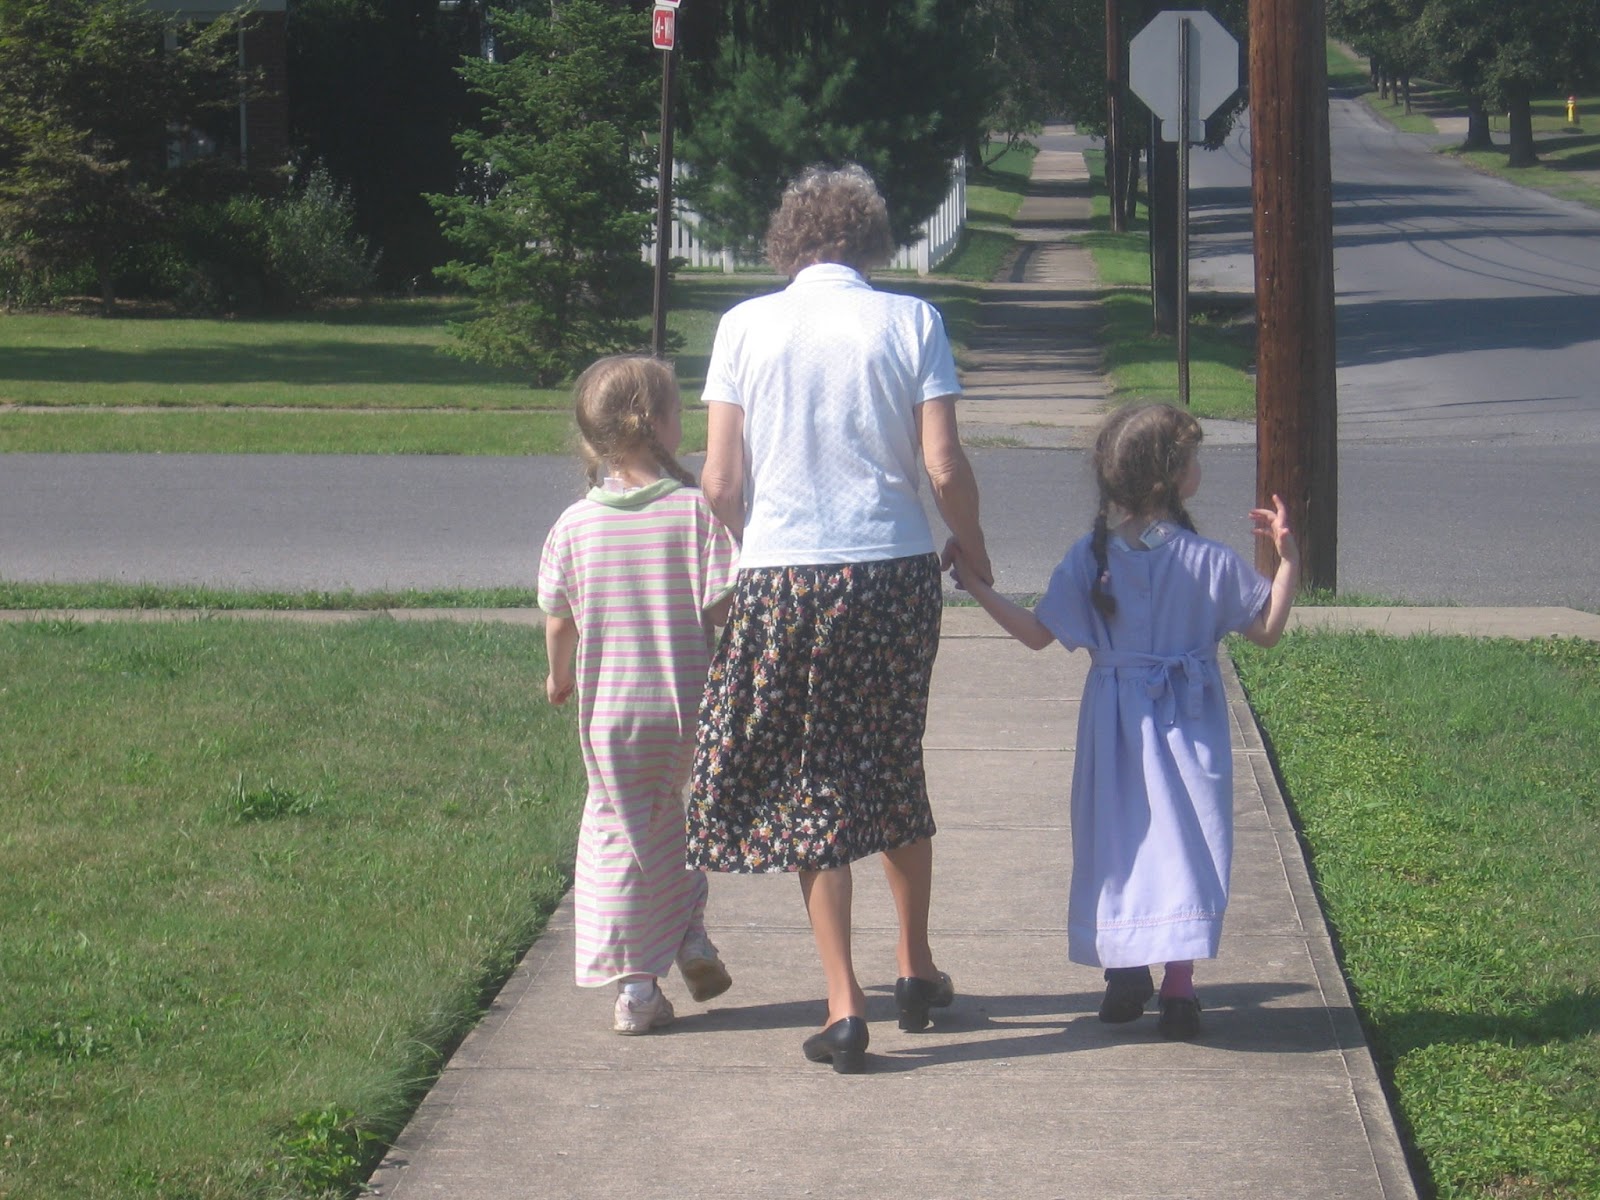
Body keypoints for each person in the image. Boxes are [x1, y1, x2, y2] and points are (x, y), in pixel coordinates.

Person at [688, 163, 992, 1074]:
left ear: (788, 241)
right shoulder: (911, 321)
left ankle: (844, 1003)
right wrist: (973, 547)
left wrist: (753, 551)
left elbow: (719, 481)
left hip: (783, 577)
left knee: (809, 781)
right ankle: (917, 966)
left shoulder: (744, 325)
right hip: (892, 572)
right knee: (892, 759)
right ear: (872, 241)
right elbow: (944, 465)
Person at [951, 403, 1299, 1040]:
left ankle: (1126, 970)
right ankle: (1179, 986)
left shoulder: (1091, 558)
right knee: (1186, 840)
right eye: (1193, 457)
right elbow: (1267, 631)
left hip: (1115, 727)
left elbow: (1036, 633)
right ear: (1172, 476)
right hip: (1188, 719)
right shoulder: (1209, 560)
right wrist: (1287, 560)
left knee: (1120, 838)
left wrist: (976, 586)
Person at [539, 355, 741, 1034]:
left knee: (613, 834)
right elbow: (725, 607)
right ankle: (689, 932)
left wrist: (558, 675)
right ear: (653, 422)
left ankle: (636, 989)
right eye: (680, 410)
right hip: (684, 711)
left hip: (612, 716)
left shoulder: (574, 525)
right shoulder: (694, 513)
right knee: (664, 818)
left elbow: (560, 621)